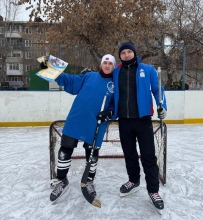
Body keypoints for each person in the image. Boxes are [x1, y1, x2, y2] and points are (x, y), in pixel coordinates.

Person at [40, 54, 116, 203]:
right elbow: (69, 81)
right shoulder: (89, 76)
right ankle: (62, 180)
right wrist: (51, 69)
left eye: (110, 63)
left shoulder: (115, 84)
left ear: (113, 66)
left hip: (97, 123)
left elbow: (117, 103)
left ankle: (88, 181)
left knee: (92, 154)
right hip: (77, 118)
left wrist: (111, 111)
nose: (107, 65)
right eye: (105, 62)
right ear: (101, 64)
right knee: (65, 150)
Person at [112, 42, 167, 213]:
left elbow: (158, 90)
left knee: (149, 156)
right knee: (129, 154)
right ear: (120, 55)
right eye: (123, 52)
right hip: (124, 120)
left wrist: (162, 105)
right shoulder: (116, 72)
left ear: (134, 53)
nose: (127, 55)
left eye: (129, 52)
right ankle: (133, 180)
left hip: (143, 120)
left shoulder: (148, 70)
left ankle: (153, 191)